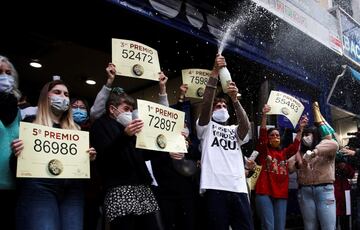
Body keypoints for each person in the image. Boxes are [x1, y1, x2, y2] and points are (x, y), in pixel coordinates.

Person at [12, 80, 97, 230]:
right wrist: (16, 153)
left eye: (66, 94)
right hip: (39, 189)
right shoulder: (30, 124)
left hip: (73, 191)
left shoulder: (78, 132)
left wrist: (90, 159)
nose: (63, 97)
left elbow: (86, 174)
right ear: (46, 96)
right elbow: (16, 169)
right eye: (57, 92)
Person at [196, 54, 254, 230]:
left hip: (238, 187)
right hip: (214, 186)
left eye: (224, 106)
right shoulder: (205, 126)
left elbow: (245, 126)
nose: (221, 108)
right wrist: (214, 73)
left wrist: (234, 99)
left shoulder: (234, 130)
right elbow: (206, 104)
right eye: (218, 106)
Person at [90, 89, 160, 230]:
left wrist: (159, 143)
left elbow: (144, 155)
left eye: (131, 109)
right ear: (112, 109)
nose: (130, 112)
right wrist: (125, 136)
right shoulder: (100, 125)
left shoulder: (134, 129)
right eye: (126, 109)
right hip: (118, 189)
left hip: (142, 188)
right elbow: (105, 156)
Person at [255, 104, 308, 230]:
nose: (275, 137)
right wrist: (264, 116)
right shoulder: (263, 150)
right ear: (267, 138)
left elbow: (295, 147)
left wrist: (300, 129)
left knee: (280, 227)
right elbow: (262, 135)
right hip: (264, 192)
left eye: (277, 135)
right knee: (269, 226)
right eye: (272, 135)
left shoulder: (283, 153)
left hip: (281, 193)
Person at [294, 102, 339, 230]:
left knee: (328, 227)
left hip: (324, 190)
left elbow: (334, 144)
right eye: (304, 135)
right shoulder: (300, 152)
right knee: (309, 227)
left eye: (308, 135)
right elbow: (291, 166)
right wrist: (298, 159)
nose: (305, 138)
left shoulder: (326, 148)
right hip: (305, 191)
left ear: (316, 136)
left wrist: (313, 153)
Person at [0, 55, 21, 230]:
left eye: (8, 73)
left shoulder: (19, 113)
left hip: (12, 187)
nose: (5, 77)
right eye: (0, 73)